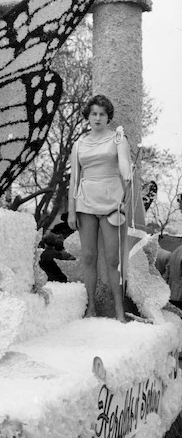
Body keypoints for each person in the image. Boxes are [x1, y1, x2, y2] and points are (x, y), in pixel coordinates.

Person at [68, 95, 132, 321]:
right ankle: (90, 308)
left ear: (108, 117)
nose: (97, 118)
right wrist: (72, 210)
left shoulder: (118, 139)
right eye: (94, 113)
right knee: (88, 257)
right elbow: (74, 179)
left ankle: (119, 310)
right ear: (88, 116)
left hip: (112, 202)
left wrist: (127, 172)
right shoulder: (79, 144)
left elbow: (124, 164)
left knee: (113, 259)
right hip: (85, 202)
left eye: (102, 114)